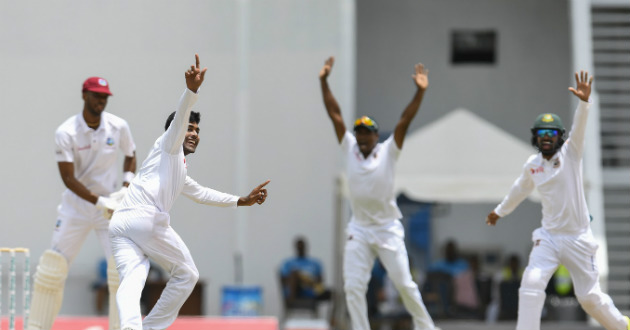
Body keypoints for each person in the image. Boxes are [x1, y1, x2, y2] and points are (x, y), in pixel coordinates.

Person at [109, 54, 270, 330]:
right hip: (144, 220)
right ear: (177, 130)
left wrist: (241, 201)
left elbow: (203, 193)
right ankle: (149, 328)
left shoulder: (175, 165)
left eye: (197, 130)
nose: (194, 133)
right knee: (186, 274)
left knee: (133, 278)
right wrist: (191, 91)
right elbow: (180, 118)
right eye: (189, 129)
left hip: (120, 224)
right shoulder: (169, 144)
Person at [485, 71, 630, 330]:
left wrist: (584, 103)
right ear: (535, 137)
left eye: (552, 132)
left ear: (560, 136)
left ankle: (622, 326)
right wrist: (499, 211)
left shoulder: (571, 153)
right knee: (531, 282)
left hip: (578, 237)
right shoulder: (533, 165)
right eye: (542, 132)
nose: (547, 136)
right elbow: (518, 190)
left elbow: (580, 128)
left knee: (588, 297)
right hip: (549, 236)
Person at [319, 56, 438, 330]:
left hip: (386, 228)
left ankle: (427, 328)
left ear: (376, 136)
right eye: (358, 132)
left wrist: (419, 91)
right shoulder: (349, 147)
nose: (361, 137)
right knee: (353, 287)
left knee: (405, 284)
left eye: (367, 133)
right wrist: (324, 82)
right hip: (359, 229)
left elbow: (404, 120)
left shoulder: (388, 151)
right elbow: (334, 114)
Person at [28, 77, 136, 330]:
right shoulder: (66, 131)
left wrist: (125, 188)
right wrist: (99, 201)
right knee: (52, 268)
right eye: (97, 95)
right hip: (76, 207)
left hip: (111, 208)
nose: (101, 101)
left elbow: (131, 155)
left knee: (121, 269)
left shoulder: (118, 126)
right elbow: (68, 178)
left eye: (105, 96)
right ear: (84, 95)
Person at [280, 236, 330, 305]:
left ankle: (332, 315)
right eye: (299, 247)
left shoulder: (315, 263)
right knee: (294, 273)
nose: (300, 248)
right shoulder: (288, 263)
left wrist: (309, 281)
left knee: (334, 294)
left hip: (311, 289)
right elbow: (283, 280)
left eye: (302, 246)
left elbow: (320, 280)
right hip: (296, 290)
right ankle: (292, 300)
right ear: (295, 247)